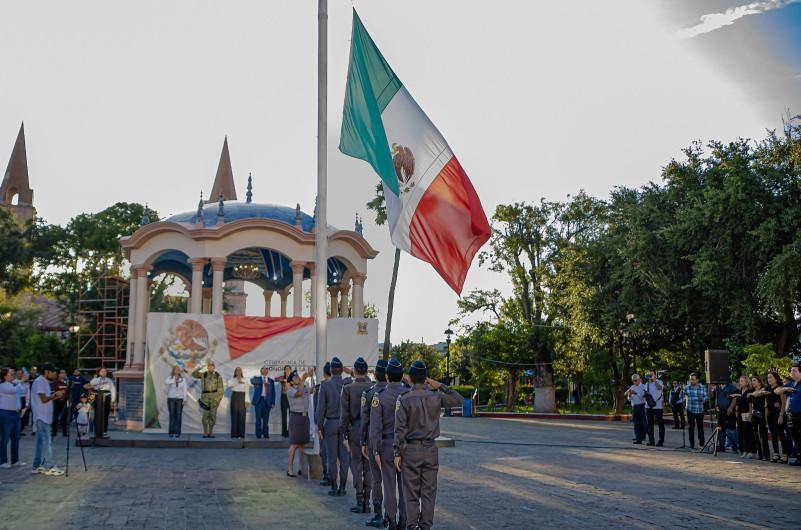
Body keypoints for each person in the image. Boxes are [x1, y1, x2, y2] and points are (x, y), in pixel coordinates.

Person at [395, 360, 463, 530]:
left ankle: (412, 527)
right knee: (429, 493)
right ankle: (425, 527)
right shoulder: (436, 396)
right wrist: (440, 385)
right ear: (426, 379)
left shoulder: (404, 399)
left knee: (411, 493)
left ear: (409, 379)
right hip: (431, 449)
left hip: (411, 450)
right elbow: (458, 399)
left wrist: (397, 452)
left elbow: (400, 429)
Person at [369, 358, 409, 530]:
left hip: (386, 445)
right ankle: (403, 521)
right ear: (401, 376)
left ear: (386, 376)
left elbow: (375, 427)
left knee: (389, 486)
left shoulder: (380, 396)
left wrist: (376, 451)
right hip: (406, 445)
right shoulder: (408, 394)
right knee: (405, 486)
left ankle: (391, 521)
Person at [340, 357, 373, 514]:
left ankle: (360, 501)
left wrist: (345, 435)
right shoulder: (373, 387)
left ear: (353, 371)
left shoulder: (348, 388)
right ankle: (367, 501)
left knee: (356, 466)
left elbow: (344, 415)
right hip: (370, 430)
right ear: (366, 371)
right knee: (368, 467)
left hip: (354, 430)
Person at [317, 357, 350, 496]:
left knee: (331, 457)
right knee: (344, 457)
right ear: (342, 370)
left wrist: (319, 426)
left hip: (330, 422)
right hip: (344, 424)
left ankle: (334, 486)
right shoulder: (347, 384)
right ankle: (342, 486)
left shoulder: (325, 385)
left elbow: (321, 407)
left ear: (330, 370)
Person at [363, 359, 389, 527]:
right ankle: (395, 517)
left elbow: (366, 422)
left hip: (376, 442)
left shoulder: (371, 393)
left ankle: (378, 514)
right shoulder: (401, 392)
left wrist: (363, 442)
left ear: (376, 375)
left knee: (377, 479)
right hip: (395, 443)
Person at [31, 362, 65, 475]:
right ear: (47, 371)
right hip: (41, 416)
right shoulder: (40, 381)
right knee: (46, 441)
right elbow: (44, 399)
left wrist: (55, 395)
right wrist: (55, 395)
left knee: (41, 441)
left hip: (45, 416)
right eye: (52, 371)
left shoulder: (44, 382)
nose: (54, 373)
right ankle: (49, 465)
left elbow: (46, 398)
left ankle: (37, 465)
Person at [286, 368, 314, 476]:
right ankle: (290, 469)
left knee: (302, 444)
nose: (298, 378)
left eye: (298, 376)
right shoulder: (290, 390)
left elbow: (311, 390)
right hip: (296, 417)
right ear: (292, 382)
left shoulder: (305, 386)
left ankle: (301, 468)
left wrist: (311, 377)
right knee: (294, 444)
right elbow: (299, 393)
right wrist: (303, 379)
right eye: (295, 377)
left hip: (304, 417)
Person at [0, 367, 26, 468]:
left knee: (16, 438)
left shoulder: (14, 384)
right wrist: (21, 382)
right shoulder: (3, 386)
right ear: (5, 376)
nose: (13, 375)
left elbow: (22, 390)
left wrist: (18, 382)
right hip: (6, 414)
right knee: (5, 438)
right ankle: (3, 461)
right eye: (11, 374)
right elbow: (14, 391)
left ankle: (15, 459)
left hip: (16, 413)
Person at [775, 365, 801, 465]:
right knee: (795, 438)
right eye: (791, 371)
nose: (792, 373)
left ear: (800, 372)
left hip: (800, 414)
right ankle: (799, 458)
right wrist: (784, 389)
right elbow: (776, 391)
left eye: (794, 371)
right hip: (790, 415)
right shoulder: (789, 384)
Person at [192, 360, 224, 438]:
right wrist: (200, 367)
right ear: (207, 367)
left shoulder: (217, 375)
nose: (211, 367)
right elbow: (194, 374)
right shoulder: (203, 375)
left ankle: (211, 432)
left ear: (214, 367)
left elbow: (221, 388)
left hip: (214, 397)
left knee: (212, 415)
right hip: (205, 397)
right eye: (209, 366)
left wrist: (219, 399)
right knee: (205, 414)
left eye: (212, 366)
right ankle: (205, 432)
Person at [764, 372, 789, 463]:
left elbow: (783, 403)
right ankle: (776, 453)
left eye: (771, 377)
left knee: (780, 433)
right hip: (768, 413)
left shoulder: (780, 389)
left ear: (776, 378)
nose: (769, 379)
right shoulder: (767, 388)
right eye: (768, 377)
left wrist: (781, 415)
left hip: (777, 413)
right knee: (773, 433)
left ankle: (785, 454)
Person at [710, 377, 739, 453]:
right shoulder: (718, 386)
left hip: (729, 411)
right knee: (721, 429)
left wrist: (731, 407)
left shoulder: (731, 386)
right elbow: (712, 395)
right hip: (720, 411)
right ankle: (721, 446)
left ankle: (735, 447)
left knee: (731, 429)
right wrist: (710, 388)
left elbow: (735, 397)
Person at [85, 367, 116, 439]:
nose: (103, 373)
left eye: (105, 371)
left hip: (106, 396)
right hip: (98, 397)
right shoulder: (96, 379)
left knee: (105, 413)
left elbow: (113, 390)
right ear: (99, 372)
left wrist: (112, 400)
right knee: (97, 413)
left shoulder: (109, 380)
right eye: (102, 371)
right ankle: (97, 430)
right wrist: (100, 381)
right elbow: (91, 383)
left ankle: (104, 430)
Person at [731, 375, 756, 459]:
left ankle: (751, 451)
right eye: (740, 381)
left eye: (742, 381)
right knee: (741, 432)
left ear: (746, 382)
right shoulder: (738, 391)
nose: (740, 382)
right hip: (740, 414)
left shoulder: (750, 391)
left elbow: (750, 402)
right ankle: (744, 450)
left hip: (747, 413)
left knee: (748, 432)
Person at [315, 362, 331, 486]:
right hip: (340, 423)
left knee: (325, 452)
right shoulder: (344, 384)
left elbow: (319, 408)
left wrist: (318, 425)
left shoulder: (322, 386)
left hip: (327, 423)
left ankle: (327, 477)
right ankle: (340, 483)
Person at [684, 373, 709, 449]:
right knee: (691, 427)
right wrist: (681, 393)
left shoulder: (702, 388)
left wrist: (702, 399)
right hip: (690, 409)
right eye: (690, 379)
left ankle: (702, 443)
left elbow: (707, 397)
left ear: (697, 380)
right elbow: (682, 396)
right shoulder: (687, 387)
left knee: (700, 427)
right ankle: (692, 444)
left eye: (693, 379)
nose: (691, 381)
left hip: (699, 409)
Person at [749, 376, 770, 461]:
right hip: (754, 415)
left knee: (763, 434)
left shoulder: (764, 389)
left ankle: (766, 454)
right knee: (756, 435)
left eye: (754, 380)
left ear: (759, 382)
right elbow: (751, 405)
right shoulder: (752, 392)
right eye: (752, 381)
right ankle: (760, 454)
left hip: (762, 414)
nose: (753, 382)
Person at [250, 366, 275, 439]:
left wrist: (273, 402)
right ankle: (258, 434)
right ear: (260, 371)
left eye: (266, 369)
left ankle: (266, 433)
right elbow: (252, 381)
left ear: (267, 371)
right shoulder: (257, 379)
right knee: (258, 419)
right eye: (263, 368)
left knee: (266, 419)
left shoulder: (271, 380)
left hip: (267, 401)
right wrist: (263, 382)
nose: (265, 369)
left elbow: (273, 392)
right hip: (259, 401)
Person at [623, 374, 647, 444]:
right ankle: (638, 438)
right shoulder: (632, 387)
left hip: (642, 406)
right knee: (636, 423)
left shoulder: (643, 387)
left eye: (635, 380)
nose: (634, 382)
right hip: (635, 406)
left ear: (640, 380)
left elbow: (644, 397)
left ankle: (647, 436)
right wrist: (629, 394)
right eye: (633, 381)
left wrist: (636, 393)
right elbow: (629, 397)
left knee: (644, 423)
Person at [643, 370, 665, 446]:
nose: (650, 376)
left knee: (660, 424)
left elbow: (660, 388)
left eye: (651, 375)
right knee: (649, 424)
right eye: (649, 375)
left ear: (655, 375)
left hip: (658, 406)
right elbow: (644, 395)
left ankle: (661, 441)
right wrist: (645, 394)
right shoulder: (647, 384)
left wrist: (655, 381)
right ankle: (651, 440)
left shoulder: (659, 382)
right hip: (648, 406)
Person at [165, 366, 187, 438]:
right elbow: (166, 382)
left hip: (180, 398)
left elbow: (185, 390)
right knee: (172, 415)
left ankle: (177, 432)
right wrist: (175, 381)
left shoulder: (183, 379)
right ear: (173, 371)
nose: (177, 370)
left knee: (178, 415)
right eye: (176, 369)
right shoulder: (170, 378)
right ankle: (171, 431)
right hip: (171, 398)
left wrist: (185, 399)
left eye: (178, 369)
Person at [227, 367, 249, 439]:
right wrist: (237, 381)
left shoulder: (245, 380)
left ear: (241, 372)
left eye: (240, 370)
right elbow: (230, 385)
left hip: (242, 396)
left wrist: (247, 401)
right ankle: (234, 434)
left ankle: (241, 434)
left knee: (242, 416)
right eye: (237, 370)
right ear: (235, 372)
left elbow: (247, 391)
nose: (238, 372)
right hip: (235, 396)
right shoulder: (232, 380)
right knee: (234, 415)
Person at [275, 365, 293, 439]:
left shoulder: (293, 377)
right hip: (284, 396)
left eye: (289, 369)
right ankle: (284, 432)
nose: (287, 370)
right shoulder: (282, 377)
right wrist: (281, 379)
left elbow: (299, 381)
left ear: (291, 370)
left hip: (291, 397)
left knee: (291, 415)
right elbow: (275, 379)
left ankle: (291, 431)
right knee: (284, 415)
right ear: (284, 370)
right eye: (286, 369)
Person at [51, 369, 68, 437]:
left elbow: (69, 390)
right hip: (57, 400)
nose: (63, 374)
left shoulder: (67, 382)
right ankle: (54, 432)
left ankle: (65, 432)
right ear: (58, 374)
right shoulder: (55, 382)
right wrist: (61, 387)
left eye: (64, 373)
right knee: (55, 416)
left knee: (64, 417)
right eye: (61, 373)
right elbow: (54, 388)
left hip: (64, 400)